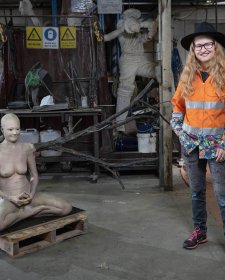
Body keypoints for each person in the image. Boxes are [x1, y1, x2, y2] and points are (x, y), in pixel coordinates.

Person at [171, 22, 225, 249]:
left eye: (207, 44)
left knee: (222, 195)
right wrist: (181, 134)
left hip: (218, 145)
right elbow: (177, 108)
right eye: (197, 46)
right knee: (196, 192)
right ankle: (200, 231)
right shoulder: (188, 77)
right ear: (193, 50)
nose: (202, 49)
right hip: (191, 144)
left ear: (216, 47)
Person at [0, 113, 72, 231]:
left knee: (66, 208)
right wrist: (11, 198)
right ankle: (28, 214)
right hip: (10, 200)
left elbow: (34, 176)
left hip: (29, 196)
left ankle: (25, 212)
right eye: (10, 129)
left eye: (17, 129)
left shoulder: (27, 148)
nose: (15, 132)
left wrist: (32, 194)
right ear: (2, 130)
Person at [104, 8, 158, 133]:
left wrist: (151, 30)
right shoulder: (121, 28)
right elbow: (106, 38)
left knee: (158, 71)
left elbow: (147, 37)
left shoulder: (137, 32)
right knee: (125, 90)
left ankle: (168, 109)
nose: (134, 19)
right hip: (128, 60)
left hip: (140, 59)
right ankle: (119, 125)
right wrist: (132, 26)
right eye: (131, 16)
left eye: (135, 17)